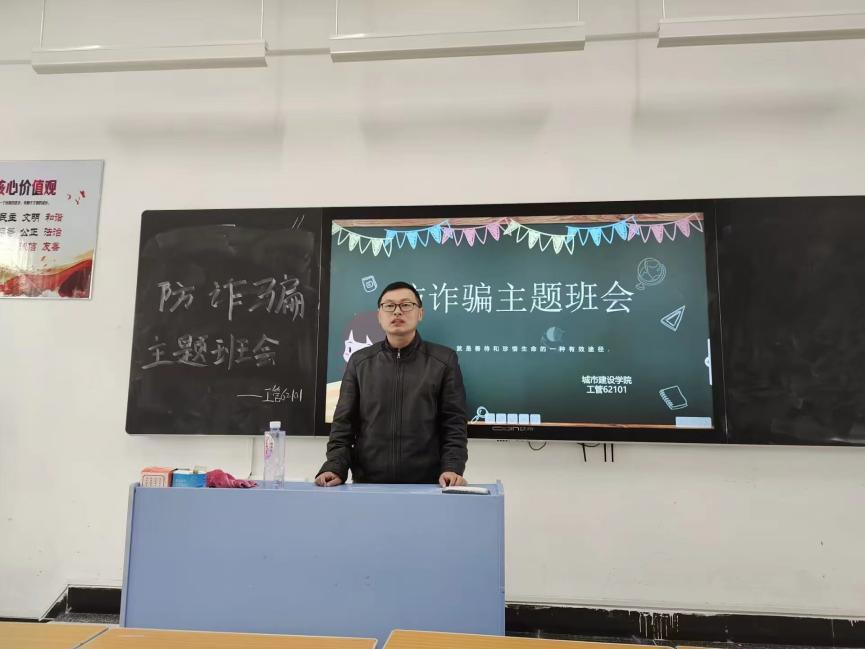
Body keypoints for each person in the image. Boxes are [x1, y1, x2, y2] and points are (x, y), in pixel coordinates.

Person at [315, 281, 468, 487]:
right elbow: (343, 426)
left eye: (406, 305)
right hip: (369, 485)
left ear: (420, 313)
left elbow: (454, 424)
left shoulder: (443, 361)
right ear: (379, 315)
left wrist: (452, 467)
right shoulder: (360, 362)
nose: (397, 311)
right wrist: (335, 467)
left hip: (428, 485)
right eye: (389, 306)